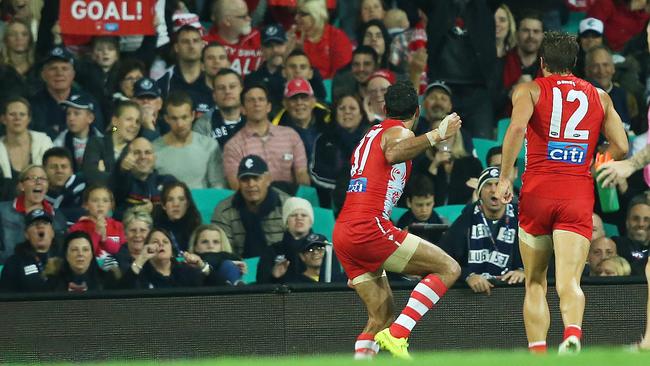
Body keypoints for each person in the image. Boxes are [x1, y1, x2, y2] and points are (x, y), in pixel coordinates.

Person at [496, 31, 629, 354]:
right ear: (575, 62)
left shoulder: (529, 90)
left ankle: (539, 352)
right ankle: (572, 333)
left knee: (535, 281)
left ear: (542, 62)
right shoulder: (600, 96)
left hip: (538, 192)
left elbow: (515, 129)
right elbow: (622, 147)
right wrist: (593, 161)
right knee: (569, 280)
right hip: (576, 194)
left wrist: (504, 178)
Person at [333, 81, 462, 360]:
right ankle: (399, 334)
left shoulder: (370, 134)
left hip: (345, 232)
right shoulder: (397, 132)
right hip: (369, 228)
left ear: (384, 108)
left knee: (381, 315)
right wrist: (436, 134)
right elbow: (394, 151)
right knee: (448, 268)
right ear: (417, 111)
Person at [440, 167, 523, 295]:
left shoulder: (522, 220)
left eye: (499, 184)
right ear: (479, 193)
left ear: (508, 191)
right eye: (488, 185)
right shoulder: (465, 220)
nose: (494, 190)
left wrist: (525, 272)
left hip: (512, 295)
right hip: (471, 298)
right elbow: (443, 259)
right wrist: (468, 276)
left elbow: (543, 258)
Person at [222, 84, 310, 191]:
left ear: (269, 107)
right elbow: (236, 185)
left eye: (261, 99)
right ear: (243, 109)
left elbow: (301, 173)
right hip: (253, 203)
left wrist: (303, 197)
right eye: (251, 100)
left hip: (289, 200)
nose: (257, 103)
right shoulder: (233, 145)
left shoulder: (291, 136)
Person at [212, 155, 289, 258]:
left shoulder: (287, 206)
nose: (251, 184)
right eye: (245, 179)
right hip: (239, 268)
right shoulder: (224, 210)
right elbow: (222, 252)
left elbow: (297, 243)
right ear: (238, 182)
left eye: (256, 178)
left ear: (268, 179)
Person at [153, 91, 226, 189]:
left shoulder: (209, 146)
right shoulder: (153, 149)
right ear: (166, 119)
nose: (180, 124)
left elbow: (218, 186)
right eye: (174, 118)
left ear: (192, 115)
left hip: (202, 203)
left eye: (184, 117)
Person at [0, 165, 67, 264]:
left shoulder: (57, 217)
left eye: (43, 179)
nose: (38, 182)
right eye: (33, 178)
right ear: (22, 186)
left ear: (47, 186)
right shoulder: (2, 211)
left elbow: (61, 251)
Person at [0, 96, 53, 200]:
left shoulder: (44, 142)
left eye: (22, 114)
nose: (17, 118)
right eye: (12, 114)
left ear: (28, 119)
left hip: (43, 201)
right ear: (3, 119)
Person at [120, 228, 209, 289]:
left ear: (172, 250)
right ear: (147, 248)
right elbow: (121, 293)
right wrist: (141, 258)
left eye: (165, 242)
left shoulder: (186, 272)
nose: (161, 244)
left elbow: (216, 288)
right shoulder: (141, 275)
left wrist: (201, 265)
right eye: (155, 242)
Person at [111, 137, 176, 218]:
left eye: (147, 152)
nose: (143, 157)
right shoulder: (121, 182)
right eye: (137, 152)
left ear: (154, 158)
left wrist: (154, 209)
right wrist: (135, 211)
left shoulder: (168, 182)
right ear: (127, 157)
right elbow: (113, 214)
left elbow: (178, 212)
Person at [157, 25, 213, 117]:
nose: (191, 46)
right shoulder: (165, 82)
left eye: (195, 41)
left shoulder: (213, 79)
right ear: (176, 47)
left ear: (202, 45)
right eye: (185, 42)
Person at [0, 209, 60, 292]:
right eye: (34, 224)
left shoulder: (64, 258)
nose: (40, 226)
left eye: (45, 223)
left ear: (52, 232)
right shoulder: (14, 263)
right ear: (26, 234)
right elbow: (6, 298)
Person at [291, 0, 353, 79]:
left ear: (316, 15)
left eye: (302, 14)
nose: (296, 18)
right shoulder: (294, 36)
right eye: (296, 13)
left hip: (330, 87)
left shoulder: (337, 37)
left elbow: (342, 75)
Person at [204, 0, 262, 76]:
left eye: (248, 14)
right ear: (227, 21)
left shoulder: (256, 37)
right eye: (243, 16)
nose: (249, 19)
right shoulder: (206, 45)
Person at [192, 69, 245, 147]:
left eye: (232, 86)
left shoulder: (257, 119)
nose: (227, 91)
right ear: (214, 95)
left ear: (242, 91)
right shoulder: (203, 125)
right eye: (221, 88)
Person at [69, 185, 126, 257]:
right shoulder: (77, 228)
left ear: (111, 206)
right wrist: (97, 233)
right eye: (95, 200)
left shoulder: (119, 226)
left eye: (105, 201)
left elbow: (120, 252)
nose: (100, 205)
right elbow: (85, 255)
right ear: (86, 205)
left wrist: (104, 238)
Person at [53, 93, 103, 172]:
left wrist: (115, 128)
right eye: (68, 114)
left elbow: (115, 129)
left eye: (76, 113)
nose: (71, 118)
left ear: (90, 118)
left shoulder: (101, 139)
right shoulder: (60, 140)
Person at [152, 181, 202, 252]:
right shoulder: (155, 227)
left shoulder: (196, 226)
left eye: (181, 199)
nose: (176, 204)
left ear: (187, 204)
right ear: (163, 205)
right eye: (170, 200)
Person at [43, 147, 87, 226]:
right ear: (44, 170)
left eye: (64, 167)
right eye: (53, 167)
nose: (59, 171)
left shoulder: (86, 188)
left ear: (71, 170)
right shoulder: (37, 192)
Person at [395, 174, 444, 243]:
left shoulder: (442, 223)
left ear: (434, 201)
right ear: (409, 202)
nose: (424, 210)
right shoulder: (402, 224)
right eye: (419, 205)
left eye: (428, 204)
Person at [611, 196, 650, 276]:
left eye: (646, 219)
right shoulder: (615, 244)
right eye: (636, 219)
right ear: (627, 222)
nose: (641, 224)